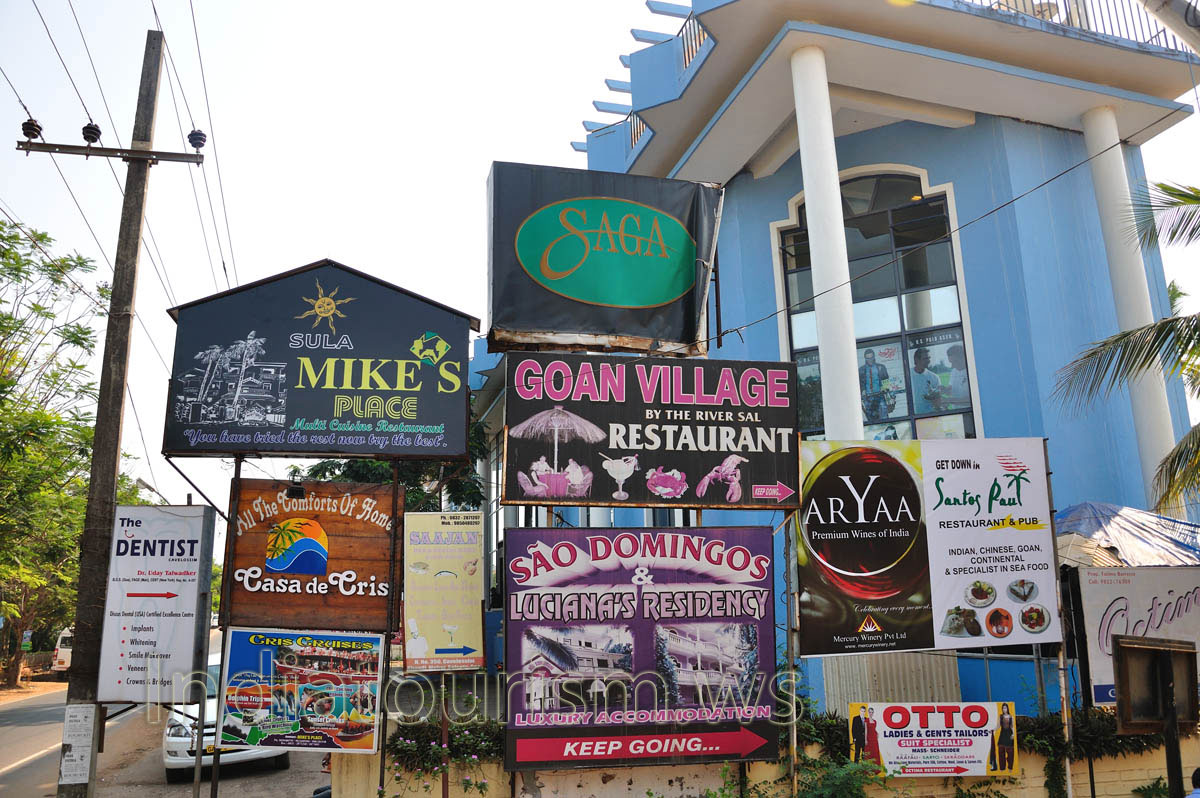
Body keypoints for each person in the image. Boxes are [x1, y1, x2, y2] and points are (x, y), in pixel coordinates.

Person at [858, 349, 893, 422]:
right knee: (871, 420)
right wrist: (863, 392)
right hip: (868, 399)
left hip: (880, 396)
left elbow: (886, 382)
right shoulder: (861, 370)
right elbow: (860, 384)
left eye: (871, 357)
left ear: (874, 357)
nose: (870, 360)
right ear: (865, 358)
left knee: (884, 418)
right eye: (868, 358)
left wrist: (889, 397)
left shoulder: (881, 367)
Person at [910, 347, 942, 414]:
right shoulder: (907, 375)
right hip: (913, 416)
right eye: (925, 358)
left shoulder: (934, 377)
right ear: (916, 360)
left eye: (929, 358)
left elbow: (939, 400)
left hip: (930, 415)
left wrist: (933, 397)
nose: (928, 361)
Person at [946, 344, 970, 408]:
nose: (952, 366)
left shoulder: (972, 372)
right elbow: (951, 389)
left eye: (955, 361)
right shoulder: (953, 371)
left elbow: (971, 400)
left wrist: (948, 400)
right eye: (951, 362)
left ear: (963, 358)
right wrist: (945, 390)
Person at [995, 702, 1015, 771]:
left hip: (1009, 735)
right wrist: (992, 730)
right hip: (1002, 736)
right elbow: (998, 726)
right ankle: (1002, 768)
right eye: (1003, 708)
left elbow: (1012, 726)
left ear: (1007, 708)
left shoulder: (1011, 717)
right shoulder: (1000, 717)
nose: (1004, 709)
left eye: (1005, 708)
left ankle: (1010, 767)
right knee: (1001, 752)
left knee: (1010, 753)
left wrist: (1013, 734)